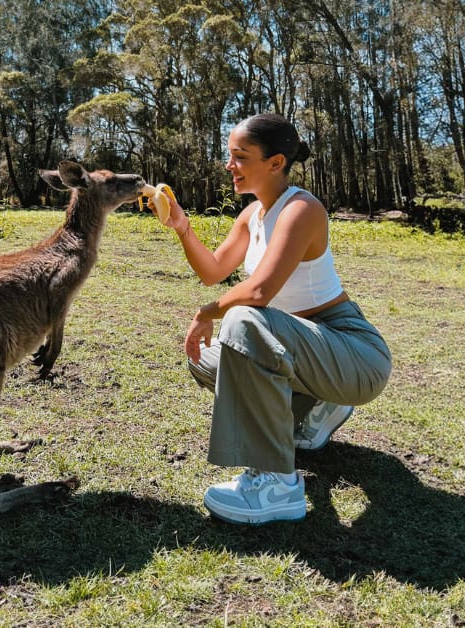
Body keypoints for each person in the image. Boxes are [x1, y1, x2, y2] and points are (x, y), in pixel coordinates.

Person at [152, 113, 392, 524]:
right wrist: (182, 227)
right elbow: (213, 271)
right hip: (303, 347)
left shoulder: (302, 208)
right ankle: (317, 407)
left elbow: (260, 292)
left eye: (240, 156)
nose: (230, 166)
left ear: (275, 162)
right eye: (229, 156)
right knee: (206, 356)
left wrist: (206, 312)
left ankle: (277, 484)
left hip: (354, 353)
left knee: (242, 321)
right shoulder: (251, 216)